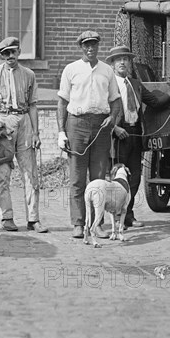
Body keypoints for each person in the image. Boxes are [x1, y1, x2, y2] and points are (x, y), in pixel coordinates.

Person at [106, 45, 170, 229]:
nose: (123, 62)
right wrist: (115, 128)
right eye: (119, 60)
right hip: (118, 136)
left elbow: (155, 102)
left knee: (133, 178)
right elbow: (102, 110)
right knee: (119, 178)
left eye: (126, 59)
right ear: (113, 65)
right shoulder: (107, 84)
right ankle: (116, 217)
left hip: (135, 135)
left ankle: (128, 215)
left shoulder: (135, 84)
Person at [57, 31, 121, 239]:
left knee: (99, 178)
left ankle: (97, 224)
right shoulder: (71, 70)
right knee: (77, 177)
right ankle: (77, 223)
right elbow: (62, 103)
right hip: (77, 124)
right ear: (81, 47)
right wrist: (61, 132)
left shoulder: (107, 71)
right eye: (86, 45)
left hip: (101, 125)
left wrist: (112, 118)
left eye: (94, 44)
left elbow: (115, 100)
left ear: (98, 46)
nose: (90, 48)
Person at [0, 37, 48, 233]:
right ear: (1, 56)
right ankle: (6, 217)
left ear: (19, 52)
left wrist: (36, 132)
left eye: (13, 52)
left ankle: (33, 219)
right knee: (3, 173)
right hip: (3, 122)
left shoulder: (29, 75)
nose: (10, 56)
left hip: (24, 120)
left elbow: (33, 105)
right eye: (5, 53)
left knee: (30, 173)